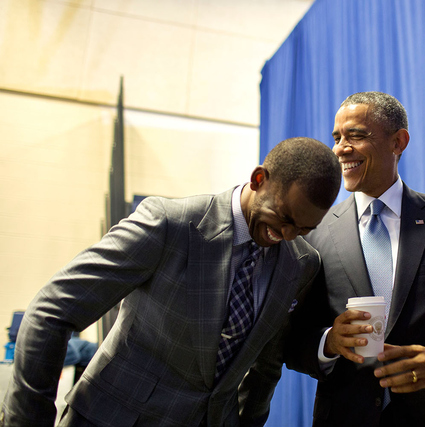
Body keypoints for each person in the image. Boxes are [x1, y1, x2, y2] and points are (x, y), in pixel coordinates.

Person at [1, 136, 342, 427]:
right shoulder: (170, 225)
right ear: (258, 179)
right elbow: (51, 312)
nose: (286, 234)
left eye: (303, 229)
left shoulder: (301, 263)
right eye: (284, 217)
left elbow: (266, 366)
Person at [285, 92, 425, 426]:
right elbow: (290, 336)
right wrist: (328, 341)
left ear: (398, 142)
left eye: (356, 135)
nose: (341, 148)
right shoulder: (314, 233)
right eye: (337, 138)